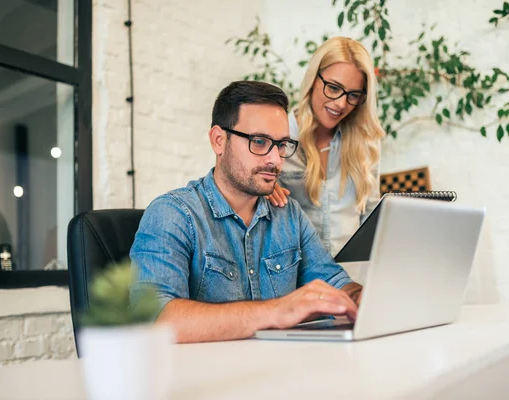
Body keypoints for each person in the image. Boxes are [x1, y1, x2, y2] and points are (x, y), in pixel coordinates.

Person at [130, 81, 362, 344]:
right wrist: (277, 311)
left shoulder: (289, 215)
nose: (275, 160)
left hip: (277, 376)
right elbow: (152, 319)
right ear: (219, 140)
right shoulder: (173, 214)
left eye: (282, 144)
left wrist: (360, 297)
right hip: (207, 381)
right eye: (260, 141)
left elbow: (334, 281)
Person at [266, 37, 385, 256]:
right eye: (333, 88)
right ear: (313, 79)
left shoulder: (366, 142)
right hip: (296, 280)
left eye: (353, 95)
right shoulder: (277, 138)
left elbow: (370, 218)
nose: (341, 103)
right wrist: (259, 191)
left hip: (350, 279)